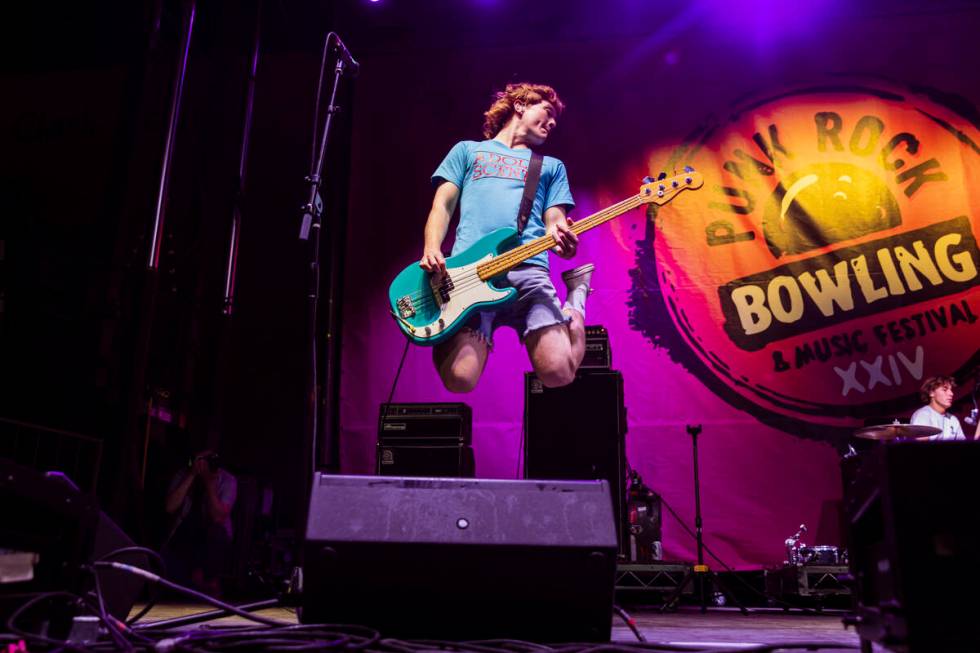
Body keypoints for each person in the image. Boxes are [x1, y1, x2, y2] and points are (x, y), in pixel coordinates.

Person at [419, 82, 593, 393]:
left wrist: (564, 242)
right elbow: (442, 206)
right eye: (548, 112)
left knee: (559, 373)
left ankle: (576, 297)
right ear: (521, 105)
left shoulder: (550, 167)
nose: (553, 123)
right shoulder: (467, 151)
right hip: (470, 276)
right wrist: (432, 248)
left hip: (528, 272)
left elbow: (554, 223)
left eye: (555, 120)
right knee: (459, 380)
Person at [162, 450, 237, 596]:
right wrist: (192, 475)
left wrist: (210, 483)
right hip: (185, 533)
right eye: (201, 460)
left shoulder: (228, 480)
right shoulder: (183, 474)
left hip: (214, 538)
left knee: (216, 533)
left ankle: (209, 584)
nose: (205, 465)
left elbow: (218, 518)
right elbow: (169, 507)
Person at [910, 376, 976, 441]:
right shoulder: (922, 415)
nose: (951, 393)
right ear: (931, 393)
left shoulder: (953, 419)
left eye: (951, 390)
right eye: (945, 390)